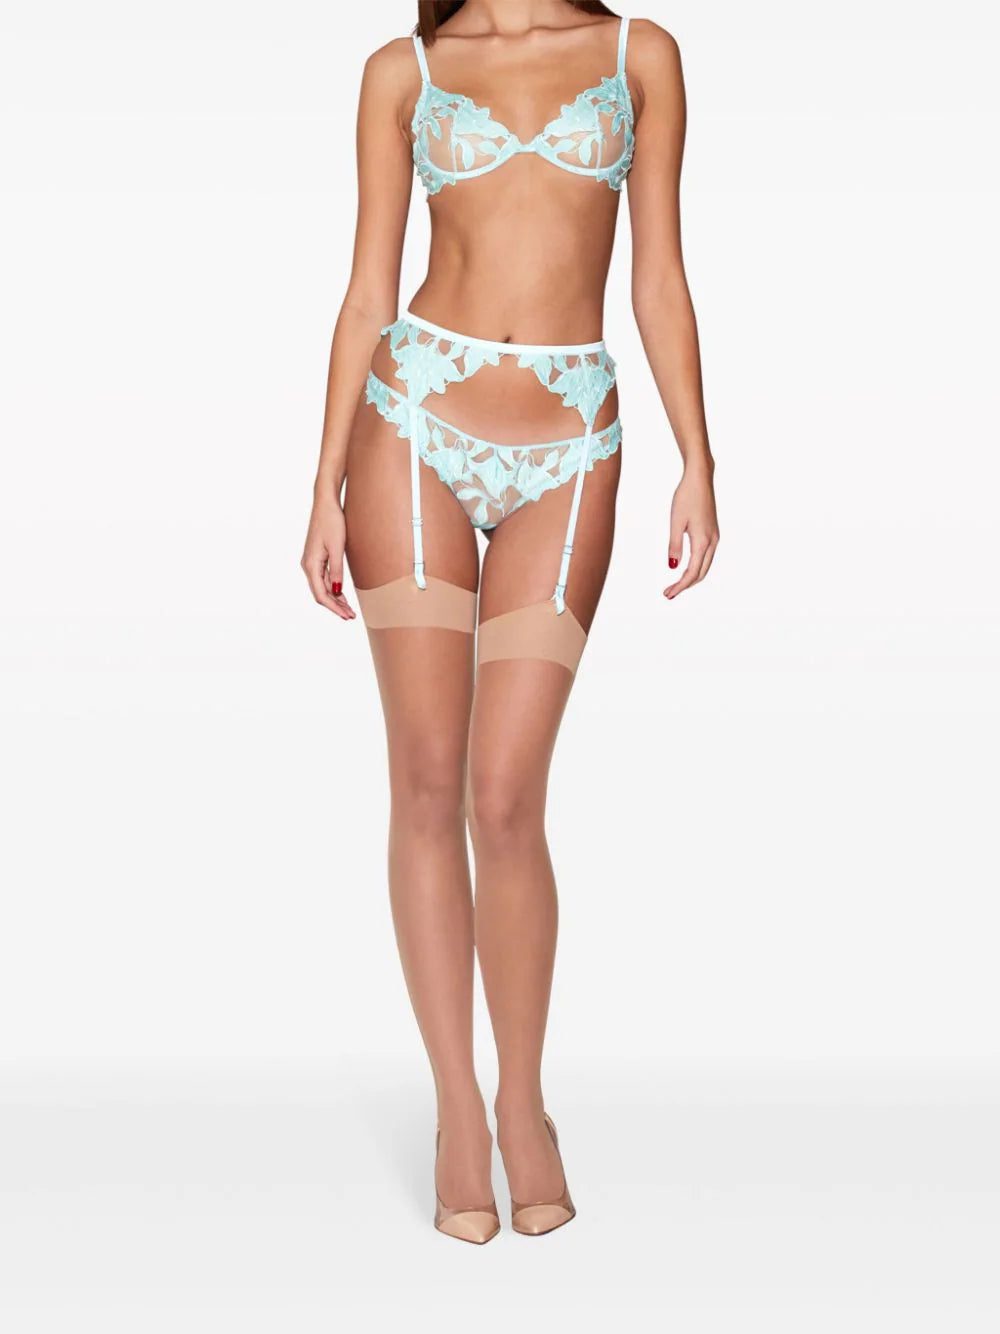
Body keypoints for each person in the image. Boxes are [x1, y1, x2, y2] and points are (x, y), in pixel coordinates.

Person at [301, 0, 719, 1243]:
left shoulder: (640, 55)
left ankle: (522, 1101)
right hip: (411, 423)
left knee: (505, 793)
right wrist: (321, 483)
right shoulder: (404, 70)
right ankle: (455, 1109)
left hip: (572, 440)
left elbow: (657, 275)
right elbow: (367, 287)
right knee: (428, 780)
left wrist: (698, 457)